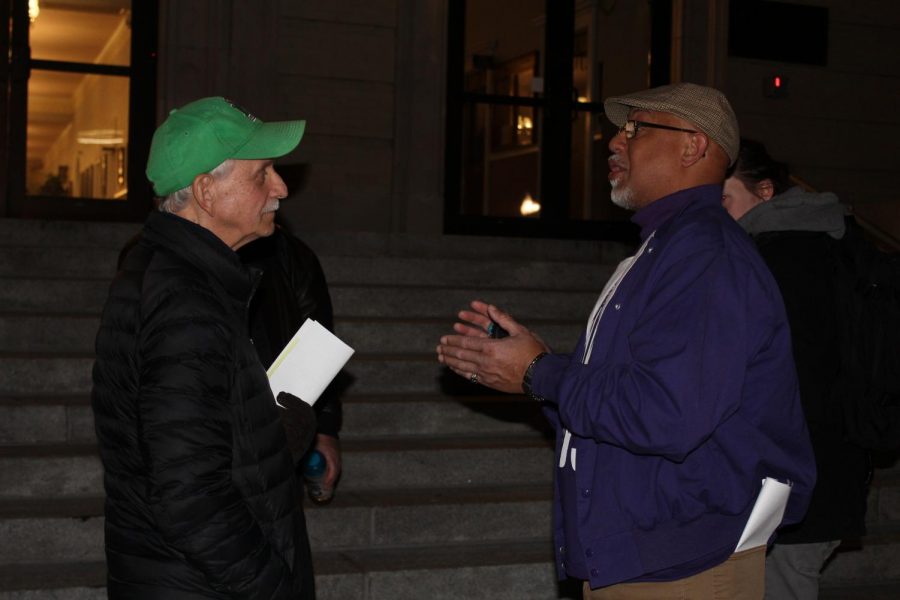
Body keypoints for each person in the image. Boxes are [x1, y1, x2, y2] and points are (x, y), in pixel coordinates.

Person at [436, 83, 816, 599]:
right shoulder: (666, 248)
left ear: (692, 146)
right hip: (647, 555)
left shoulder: (703, 254)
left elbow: (666, 413)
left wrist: (540, 371)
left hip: (680, 566)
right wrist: (534, 371)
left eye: (637, 129)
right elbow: (630, 397)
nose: (615, 143)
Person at [92, 96, 317, 599]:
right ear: (205, 192)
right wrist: (273, 587)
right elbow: (191, 497)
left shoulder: (175, 276)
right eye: (262, 174)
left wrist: (271, 435)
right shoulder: (183, 298)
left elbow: (194, 442)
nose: (280, 188)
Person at [723, 139, 869, 600]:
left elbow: (793, 377)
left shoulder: (786, 255)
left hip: (805, 469)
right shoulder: (816, 239)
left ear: (765, 191)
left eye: (724, 199)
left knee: (784, 582)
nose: (715, 214)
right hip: (820, 462)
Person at [239, 226, 343, 498]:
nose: (279, 189)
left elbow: (318, 343)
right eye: (261, 179)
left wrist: (324, 429)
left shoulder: (291, 253)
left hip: (278, 427)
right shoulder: (158, 256)